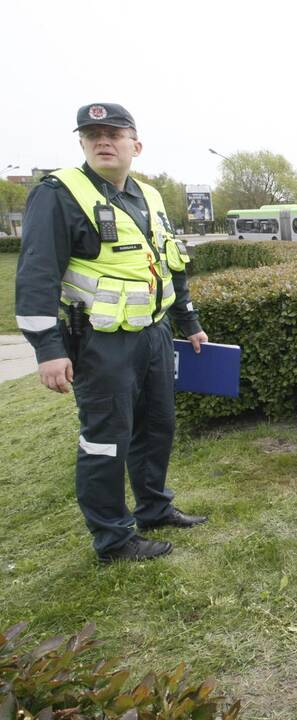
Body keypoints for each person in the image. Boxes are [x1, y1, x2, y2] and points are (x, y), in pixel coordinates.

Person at [15, 103, 209, 564]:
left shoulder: (151, 197)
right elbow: (37, 275)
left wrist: (189, 321)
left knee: (157, 427)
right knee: (105, 439)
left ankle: (154, 508)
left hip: (154, 335)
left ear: (134, 145)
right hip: (102, 343)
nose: (103, 141)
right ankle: (113, 539)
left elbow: (170, 265)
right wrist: (47, 349)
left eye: (114, 133)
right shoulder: (59, 192)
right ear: (81, 143)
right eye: (92, 134)